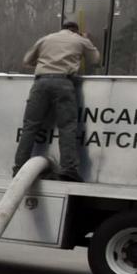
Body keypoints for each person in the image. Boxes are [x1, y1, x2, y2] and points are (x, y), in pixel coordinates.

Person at [12, 20, 101, 182]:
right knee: (67, 127)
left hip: (40, 83)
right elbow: (95, 60)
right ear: (76, 31)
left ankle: (19, 167)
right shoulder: (80, 40)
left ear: (62, 29)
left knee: (30, 126)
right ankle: (68, 169)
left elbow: (27, 61)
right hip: (64, 83)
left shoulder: (45, 39)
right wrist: (87, 40)